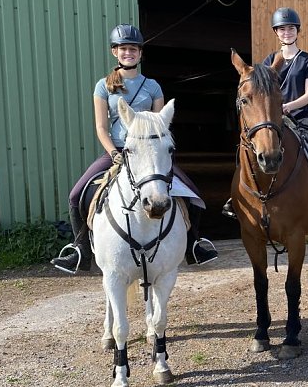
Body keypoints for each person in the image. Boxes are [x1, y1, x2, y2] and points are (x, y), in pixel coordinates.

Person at [51, 24, 218, 273]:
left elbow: (161, 125)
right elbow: (101, 128)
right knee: (76, 196)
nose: (128, 53)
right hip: (117, 152)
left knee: (192, 193)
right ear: (115, 52)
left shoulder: (152, 87)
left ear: (140, 53)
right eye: (123, 49)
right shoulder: (103, 86)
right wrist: (114, 153)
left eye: (133, 49)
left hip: (149, 153)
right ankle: (80, 251)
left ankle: (194, 245)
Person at [223, 7, 308, 216]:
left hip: (302, 116)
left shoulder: (307, 60)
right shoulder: (268, 62)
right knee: (248, 146)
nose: (287, 32)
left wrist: (288, 106)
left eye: (291, 28)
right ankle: (240, 193)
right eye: (282, 29)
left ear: (297, 31)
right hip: (276, 118)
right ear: (276, 32)